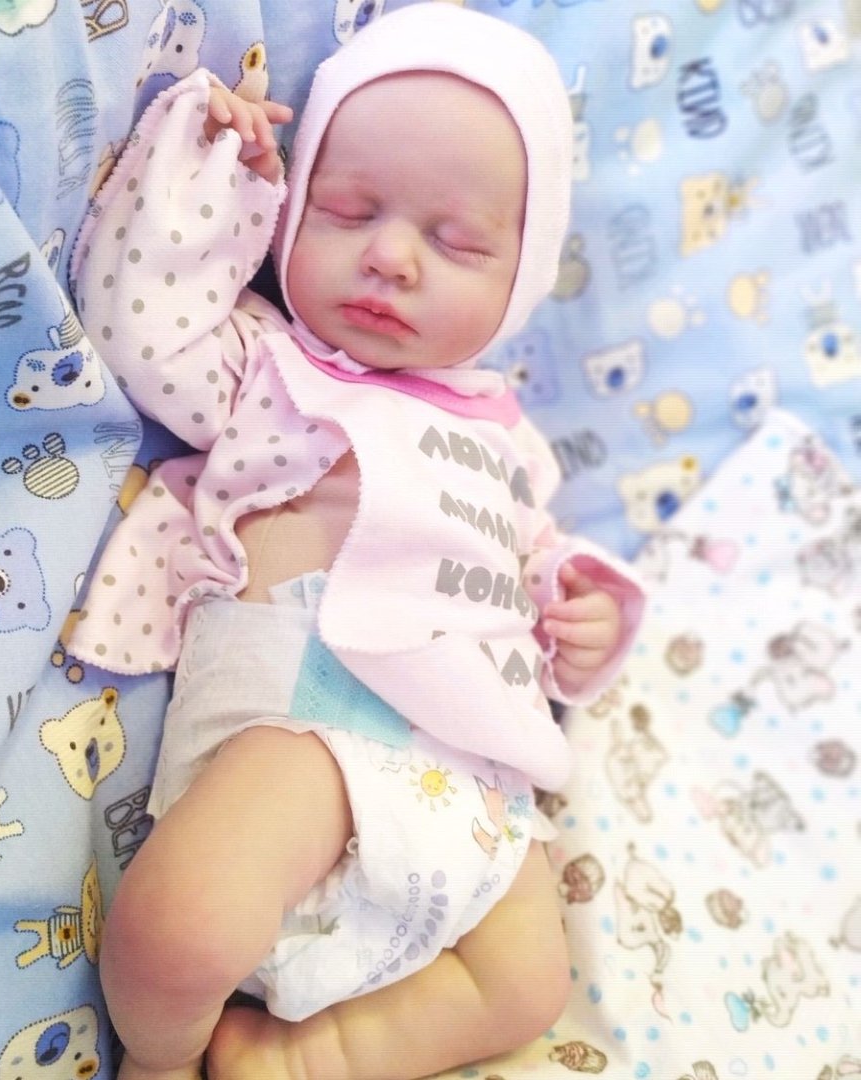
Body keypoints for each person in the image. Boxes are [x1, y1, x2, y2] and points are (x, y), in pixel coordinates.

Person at [68, 6, 645, 1078]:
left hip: (474, 783)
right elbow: (138, 326)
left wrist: (583, 614)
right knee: (180, 930)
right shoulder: (269, 367)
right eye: (346, 210)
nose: (389, 257)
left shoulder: (512, 444)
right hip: (309, 730)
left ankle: (309, 1056)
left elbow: (538, 565)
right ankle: (164, 1053)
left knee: (528, 984)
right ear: (292, 214)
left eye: (455, 241)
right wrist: (208, 172)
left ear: (519, 278)